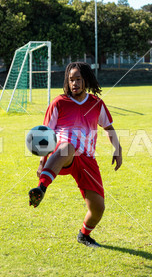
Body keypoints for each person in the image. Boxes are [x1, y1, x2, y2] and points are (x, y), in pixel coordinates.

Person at [28, 62, 122, 248]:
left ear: (85, 80)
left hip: (87, 159)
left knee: (98, 208)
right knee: (68, 147)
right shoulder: (59, 102)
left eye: (78, 79)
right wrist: (42, 162)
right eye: (71, 80)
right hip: (63, 154)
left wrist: (117, 149)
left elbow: (108, 127)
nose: (74, 83)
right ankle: (41, 188)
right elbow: (46, 135)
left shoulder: (96, 103)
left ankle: (84, 235)